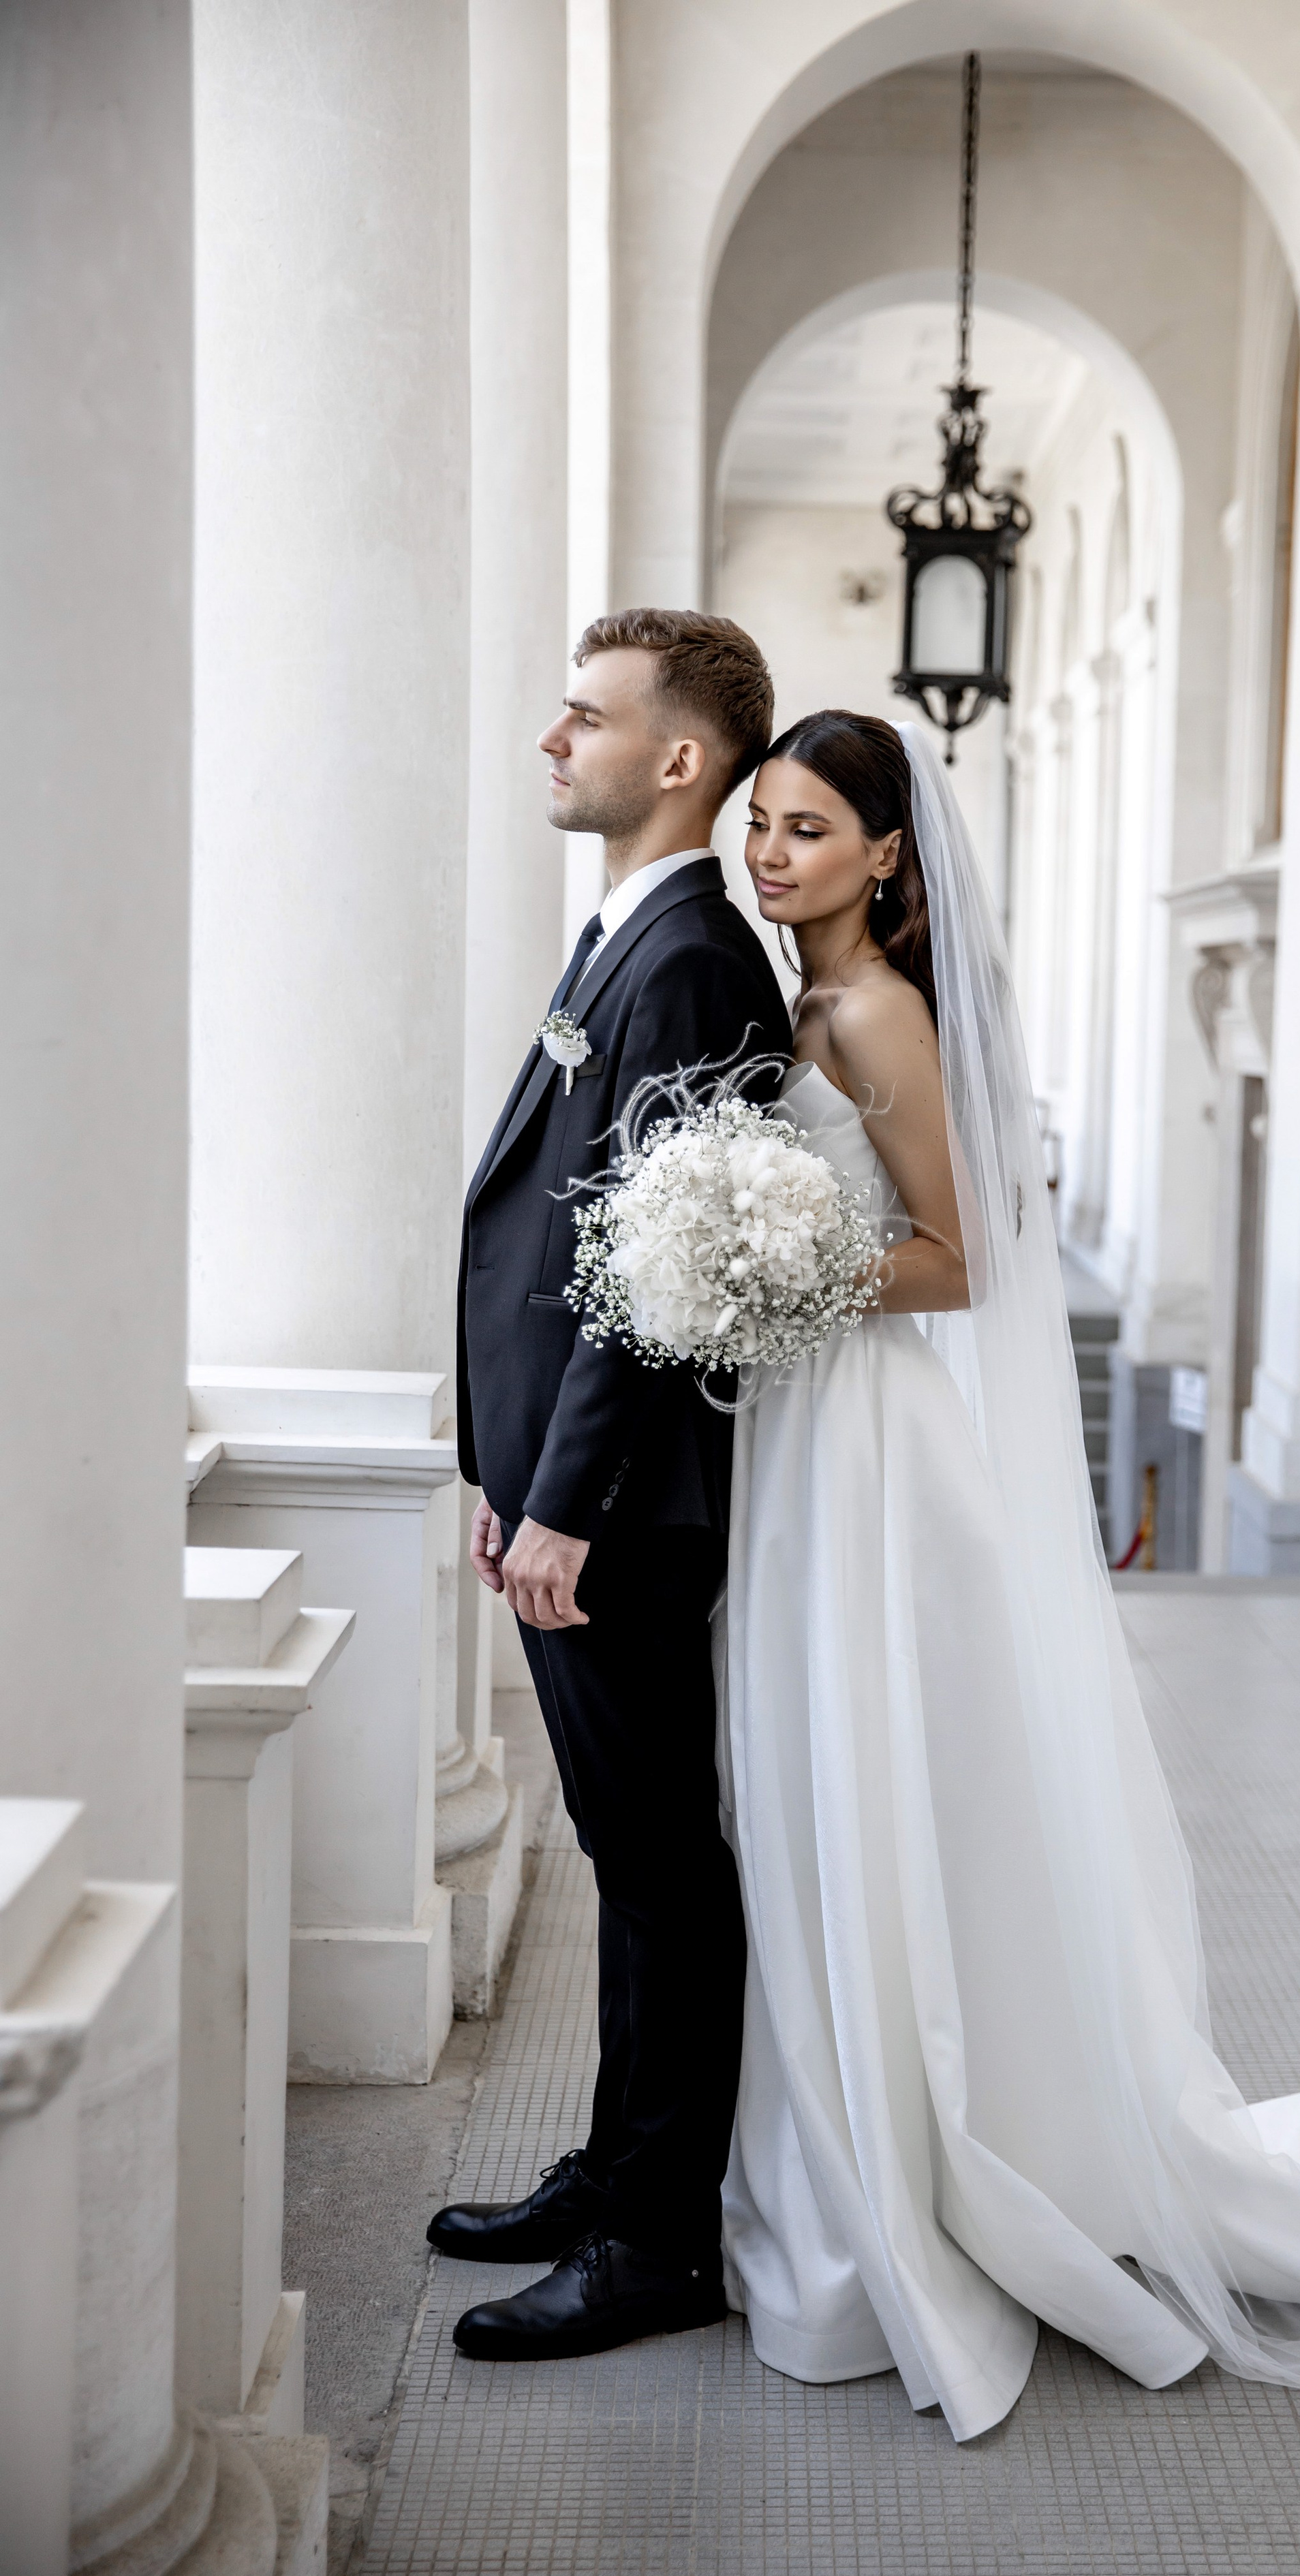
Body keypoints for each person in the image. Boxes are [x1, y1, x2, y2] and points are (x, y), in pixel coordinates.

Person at [720, 711, 1300, 2441]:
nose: (772, 855)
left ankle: (943, 2154)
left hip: (868, 1442)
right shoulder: (799, 999)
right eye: (761, 825)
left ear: (885, 854)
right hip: (806, 1430)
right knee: (821, 1788)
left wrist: (760, 1276)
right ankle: (861, 2130)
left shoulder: (872, 1014)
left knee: (873, 1781)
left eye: (807, 829)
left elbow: (956, 1259)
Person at [430, 608, 791, 2363]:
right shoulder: (629, 939)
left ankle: (656, 2238)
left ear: (679, 758)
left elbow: (661, 1276)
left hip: (626, 1508)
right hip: (564, 1482)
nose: (551, 738)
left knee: (656, 1867)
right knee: (624, 1852)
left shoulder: (693, 963)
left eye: (586, 716)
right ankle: (614, 2172)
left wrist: (566, 1501)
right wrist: (500, 1469)